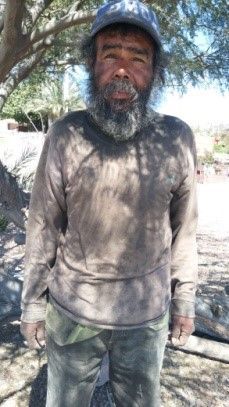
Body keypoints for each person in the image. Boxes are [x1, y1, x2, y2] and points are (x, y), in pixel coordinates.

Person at [20, 1, 198, 406]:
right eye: (110, 54)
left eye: (138, 58)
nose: (123, 70)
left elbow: (185, 229)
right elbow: (43, 224)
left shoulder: (176, 138)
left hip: (147, 317)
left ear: (155, 71)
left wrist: (184, 297)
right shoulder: (66, 134)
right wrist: (32, 303)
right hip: (73, 314)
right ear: (91, 63)